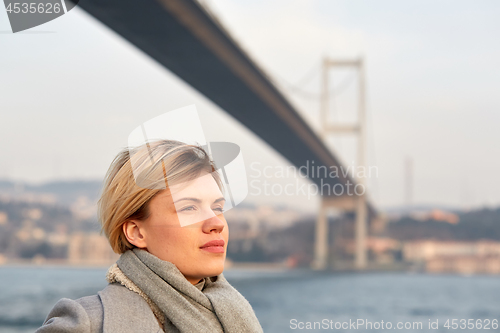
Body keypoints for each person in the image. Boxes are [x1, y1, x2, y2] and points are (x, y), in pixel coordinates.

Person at [36, 140, 263, 333]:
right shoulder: (85, 323)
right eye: (189, 208)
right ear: (136, 232)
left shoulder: (233, 316)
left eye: (217, 208)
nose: (216, 223)